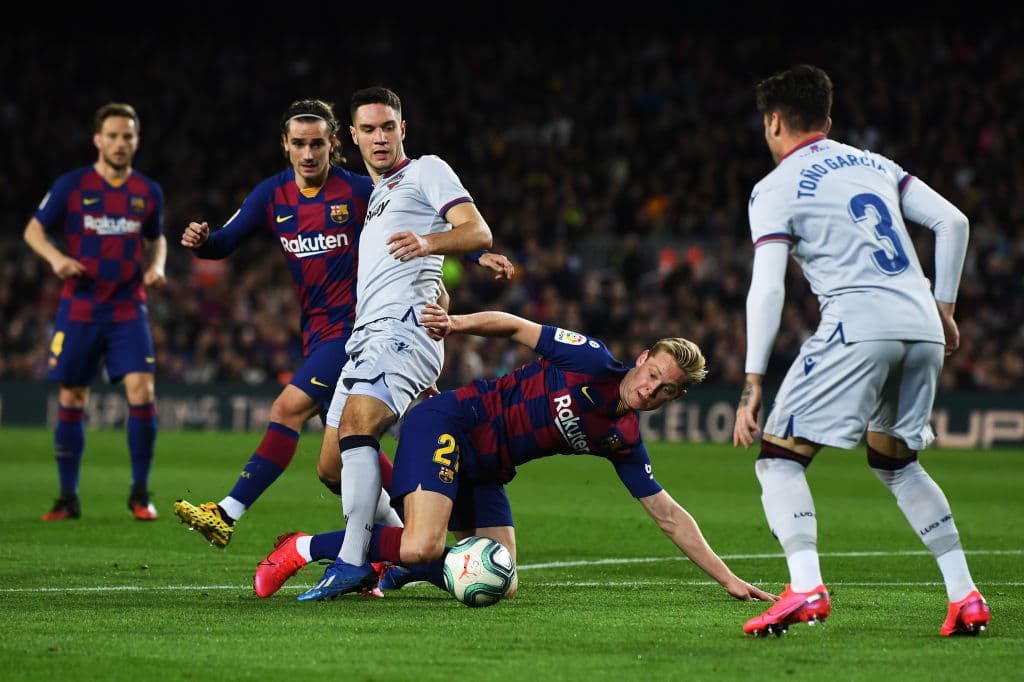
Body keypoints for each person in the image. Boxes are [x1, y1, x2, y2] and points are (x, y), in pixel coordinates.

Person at [253, 306, 777, 607]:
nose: (651, 387)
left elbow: (666, 514)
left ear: (675, 397)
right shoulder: (588, 358)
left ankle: (388, 571)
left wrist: (728, 579)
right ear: (642, 359)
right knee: (421, 545)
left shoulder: (621, 437)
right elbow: (512, 325)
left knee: (502, 581)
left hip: (487, 472)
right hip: (452, 425)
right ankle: (303, 546)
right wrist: (454, 324)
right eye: (652, 373)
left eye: (665, 388)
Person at [171, 99, 508, 549]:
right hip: (316, 334)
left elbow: (423, 212)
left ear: (334, 143)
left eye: (317, 144)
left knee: (287, 410)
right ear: (285, 146)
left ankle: (228, 511)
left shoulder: (361, 190)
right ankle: (410, 535)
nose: (308, 154)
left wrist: (474, 252)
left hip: (357, 329)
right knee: (335, 467)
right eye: (299, 144)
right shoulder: (273, 195)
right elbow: (225, 241)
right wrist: (203, 242)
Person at [732, 64, 989, 638]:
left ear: (774, 121)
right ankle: (965, 595)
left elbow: (768, 286)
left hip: (858, 320)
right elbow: (953, 221)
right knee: (896, 462)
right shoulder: (875, 164)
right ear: (827, 119)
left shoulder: (773, 189)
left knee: (779, 457)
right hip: (920, 323)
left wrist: (753, 380)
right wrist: (944, 309)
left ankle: (804, 587)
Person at [301, 85, 515, 599]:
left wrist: (434, 244)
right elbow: (448, 238)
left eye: (388, 127)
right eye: (369, 130)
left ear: (403, 129)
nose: (380, 137)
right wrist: (451, 253)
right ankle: (408, 551)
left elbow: (477, 228)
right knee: (331, 466)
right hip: (366, 336)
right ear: (352, 136)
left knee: (359, 426)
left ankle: (353, 562)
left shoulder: (426, 169)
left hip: (404, 329)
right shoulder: (378, 195)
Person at [23, 102, 167, 521]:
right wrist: (55, 258)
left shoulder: (148, 191)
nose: (121, 143)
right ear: (98, 140)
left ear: (136, 141)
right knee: (72, 396)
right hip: (81, 306)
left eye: (128, 136)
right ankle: (68, 498)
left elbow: (157, 238)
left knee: (144, 395)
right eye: (114, 136)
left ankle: (140, 494)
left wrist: (156, 266)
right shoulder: (72, 185)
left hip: (127, 307)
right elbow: (33, 229)